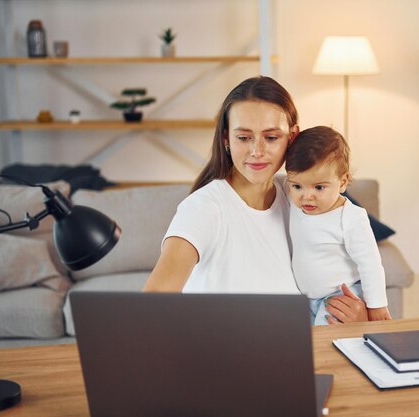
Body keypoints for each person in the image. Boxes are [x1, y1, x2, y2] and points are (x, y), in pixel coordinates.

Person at [143, 76, 368, 323]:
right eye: (244, 137)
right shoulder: (204, 208)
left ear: (292, 137)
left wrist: (357, 313)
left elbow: (340, 258)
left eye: (271, 138)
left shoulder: (295, 196)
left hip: (297, 348)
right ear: (226, 139)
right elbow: (154, 303)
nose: (257, 151)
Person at [285, 126, 391, 325]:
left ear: (343, 182)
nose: (307, 196)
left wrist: (377, 306)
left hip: (339, 297)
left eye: (319, 187)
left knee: (326, 343)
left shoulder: (351, 218)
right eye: (297, 186)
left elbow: (371, 264)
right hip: (306, 298)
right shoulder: (293, 203)